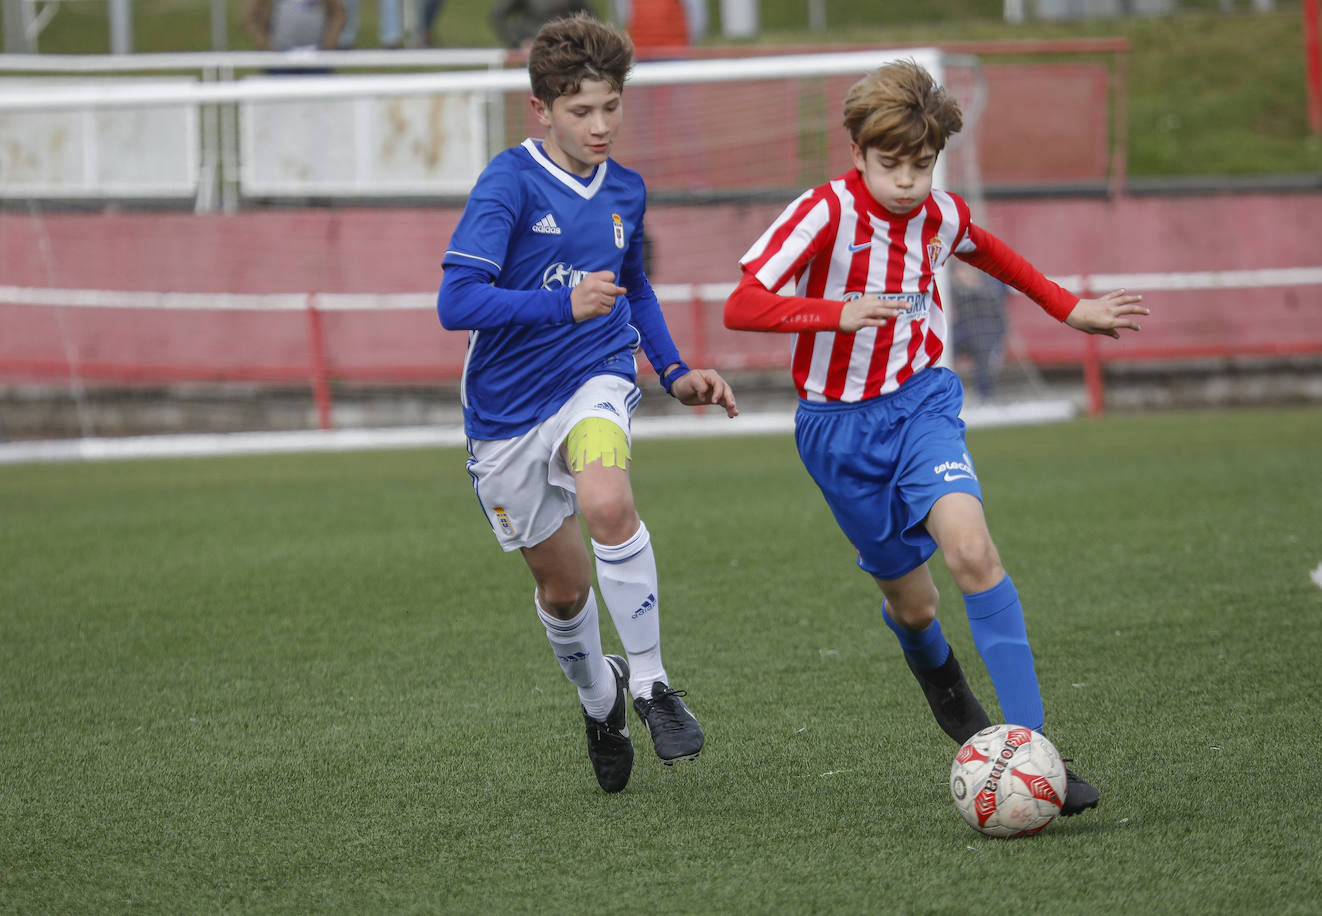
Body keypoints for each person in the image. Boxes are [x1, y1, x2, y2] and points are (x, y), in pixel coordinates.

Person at [723, 59, 1148, 818]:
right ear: (856, 153)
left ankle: (1031, 749)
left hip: (923, 403)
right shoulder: (822, 213)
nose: (909, 182)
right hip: (836, 430)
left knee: (972, 550)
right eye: (892, 165)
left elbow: (987, 249)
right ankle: (946, 688)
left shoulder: (938, 215)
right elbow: (742, 303)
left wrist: (1067, 307)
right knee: (913, 606)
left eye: (922, 165)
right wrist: (834, 314)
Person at [436, 13, 737, 794]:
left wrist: (672, 371)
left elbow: (632, 286)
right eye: (581, 111)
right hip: (505, 416)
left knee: (608, 500)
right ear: (541, 110)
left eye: (611, 108)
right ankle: (599, 699)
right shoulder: (509, 181)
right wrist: (558, 307)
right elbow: (456, 301)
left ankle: (652, 684)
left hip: (594, 379)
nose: (600, 126)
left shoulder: (627, 191)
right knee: (563, 590)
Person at [948, 257, 1008, 402]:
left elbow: (999, 294)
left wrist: (972, 284)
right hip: (963, 330)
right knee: (944, 354)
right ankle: (945, 395)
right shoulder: (954, 283)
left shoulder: (991, 279)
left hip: (988, 331)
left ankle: (985, 398)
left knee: (984, 366)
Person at [242, 0, 346, 53]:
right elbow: (249, 17)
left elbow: (339, 13)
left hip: (318, 58)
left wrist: (329, 42)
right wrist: (265, 44)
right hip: (277, 59)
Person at [489, 0, 594, 50]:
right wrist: (518, 42)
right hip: (532, 49)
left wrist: (578, 39)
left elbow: (589, 15)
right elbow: (499, 14)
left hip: (566, 49)